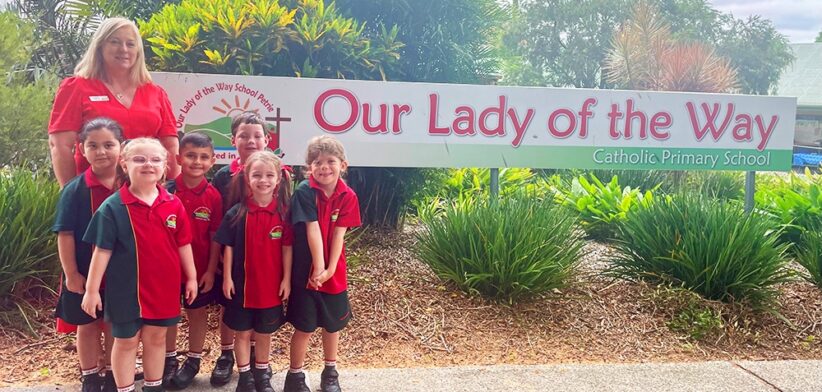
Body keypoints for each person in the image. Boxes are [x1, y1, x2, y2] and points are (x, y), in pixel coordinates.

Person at [81, 138, 198, 392]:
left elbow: (183, 244)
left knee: (157, 339)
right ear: (124, 163)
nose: (148, 165)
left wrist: (191, 278)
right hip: (126, 290)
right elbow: (101, 251)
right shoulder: (113, 207)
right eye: (139, 159)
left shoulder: (172, 204)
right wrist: (91, 290)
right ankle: (124, 388)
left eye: (155, 160)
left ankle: (153, 386)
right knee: (125, 342)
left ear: (165, 165)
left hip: (164, 287)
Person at [48, 17, 180, 188]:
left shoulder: (156, 93)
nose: (123, 49)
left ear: (138, 51)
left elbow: (170, 145)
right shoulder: (77, 87)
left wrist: (172, 190)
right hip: (94, 191)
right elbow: (60, 145)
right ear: (100, 46)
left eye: (130, 44)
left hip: (147, 192)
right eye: (115, 42)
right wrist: (71, 192)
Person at [284, 136, 361, 392]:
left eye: (330, 161)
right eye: (317, 162)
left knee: (332, 326)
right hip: (306, 272)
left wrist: (329, 270)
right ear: (309, 168)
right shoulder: (305, 191)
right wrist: (318, 269)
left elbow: (339, 234)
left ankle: (330, 372)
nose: (324, 167)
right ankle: (294, 377)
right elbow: (312, 229)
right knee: (304, 327)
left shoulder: (348, 196)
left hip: (334, 274)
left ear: (343, 165)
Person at [53, 117, 123, 392]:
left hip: (121, 274)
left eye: (109, 144)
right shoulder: (75, 190)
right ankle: (91, 376)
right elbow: (65, 234)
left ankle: (116, 375)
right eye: (93, 145)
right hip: (83, 273)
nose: (101, 151)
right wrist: (71, 274)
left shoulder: (131, 185)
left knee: (114, 326)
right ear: (81, 149)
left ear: (121, 146)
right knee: (88, 325)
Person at [216, 151, 293, 392]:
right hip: (241, 287)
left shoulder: (283, 214)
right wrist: (227, 277)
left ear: (278, 180)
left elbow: (287, 250)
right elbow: (227, 248)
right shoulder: (237, 213)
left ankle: (262, 375)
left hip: (270, 287)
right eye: (257, 175)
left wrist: (287, 280)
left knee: (264, 334)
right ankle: (245, 377)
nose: (263, 180)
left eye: (269, 175)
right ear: (247, 178)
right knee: (242, 334)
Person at [210, 111, 272, 385]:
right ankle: (226, 355)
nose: (251, 141)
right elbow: (217, 219)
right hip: (231, 254)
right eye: (244, 135)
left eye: (257, 136)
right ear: (232, 139)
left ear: (267, 140)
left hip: (265, 258)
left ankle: (260, 359)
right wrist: (220, 259)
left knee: (261, 306)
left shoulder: (277, 173)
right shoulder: (223, 176)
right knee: (229, 303)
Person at [163, 132, 223, 389]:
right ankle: (168, 360)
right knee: (167, 315)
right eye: (190, 156)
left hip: (198, 270)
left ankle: (194, 360)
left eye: (203, 157)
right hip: (165, 269)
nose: (196, 162)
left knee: (196, 313)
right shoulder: (165, 190)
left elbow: (215, 238)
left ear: (212, 161)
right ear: (178, 158)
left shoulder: (214, 196)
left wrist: (210, 271)